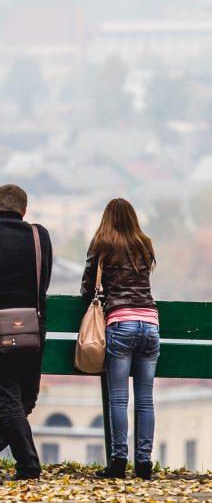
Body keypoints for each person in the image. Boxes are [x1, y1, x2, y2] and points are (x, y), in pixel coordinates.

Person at [0, 184, 52, 481]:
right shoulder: (39, 234)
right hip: (32, 326)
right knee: (26, 397)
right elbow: (44, 282)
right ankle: (27, 465)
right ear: (24, 211)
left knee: (11, 399)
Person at [81, 198, 159, 481]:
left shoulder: (102, 242)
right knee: (146, 400)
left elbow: (88, 284)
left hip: (121, 324)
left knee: (118, 398)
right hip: (150, 325)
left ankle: (118, 462)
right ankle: (144, 463)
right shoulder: (144, 243)